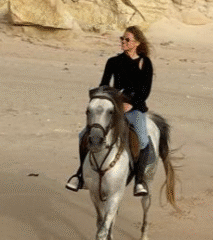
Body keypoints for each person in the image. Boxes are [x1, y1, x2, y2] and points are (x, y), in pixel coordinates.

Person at [65, 25, 155, 196]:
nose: (123, 42)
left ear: (136, 43)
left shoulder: (145, 63)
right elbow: (104, 85)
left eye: (127, 39)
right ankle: (80, 176)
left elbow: (145, 91)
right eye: (122, 39)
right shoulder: (113, 62)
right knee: (83, 135)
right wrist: (101, 97)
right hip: (114, 108)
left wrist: (132, 105)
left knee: (143, 140)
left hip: (135, 108)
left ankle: (139, 181)